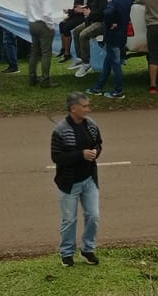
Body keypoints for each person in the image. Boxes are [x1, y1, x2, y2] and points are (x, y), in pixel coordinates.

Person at [51, 91, 103, 267]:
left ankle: (88, 249)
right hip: (69, 183)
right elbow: (57, 157)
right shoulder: (60, 130)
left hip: (89, 180)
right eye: (85, 106)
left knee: (93, 216)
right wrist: (81, 155)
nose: (88, 109)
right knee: (69, 219)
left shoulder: (91, 125)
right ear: (73, 108)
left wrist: (96, 152)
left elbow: (98, 143)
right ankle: (67, 253)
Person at [90, 0, 132, 99]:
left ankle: (118, 91)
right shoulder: (126, 1)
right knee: (107, 64)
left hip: (112, 37)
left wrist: (109, 24)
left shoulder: (112, 3)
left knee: (115, 65)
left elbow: (107, 13)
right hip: (122, 37)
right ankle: (98, 87)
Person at [24, 0, 60, 87]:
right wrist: (51, 26)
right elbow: (47, 13)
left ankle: (32, 78)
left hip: (32, 22)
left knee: (34, 52)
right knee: (46, 53)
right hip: (43, 24)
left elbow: (27, 7)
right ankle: (45, 80)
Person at [73, 0, 108, 77]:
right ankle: (81, 58)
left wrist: (90, 13)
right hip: (93, 19)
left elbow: (102, 11)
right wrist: (85, 8)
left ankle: (86, 63)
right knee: (76, 31)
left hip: (101, 22)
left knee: (83, 35)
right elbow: (94, 5)